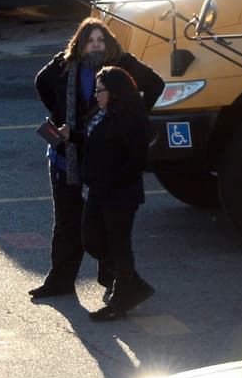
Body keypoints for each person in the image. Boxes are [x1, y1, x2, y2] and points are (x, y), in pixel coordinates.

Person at [30, 17, 163, 300]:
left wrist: (130, 114)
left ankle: (115, 279)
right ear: (79, 43)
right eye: (90, 40)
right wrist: (59, 114)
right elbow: (41, 82)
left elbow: (155, 84)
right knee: (67, 222)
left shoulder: (121, 66)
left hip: (105, 162)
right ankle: (60, 280)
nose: (95, 46)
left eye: (101, 40)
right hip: (66, 157)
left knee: (106, 225)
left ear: (110, 43)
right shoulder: (64, 65)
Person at [80, 66, 155, 321]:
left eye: (100, 91)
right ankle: (132, 283)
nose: (96, 96)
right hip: (98, 190)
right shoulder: (100, 114)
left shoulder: (132, 121)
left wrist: (109, 181)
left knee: (119, 245)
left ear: (115, 92)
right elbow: (93, 143)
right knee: (91, 238)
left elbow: (136, 162)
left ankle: (121, 299)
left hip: (120, 194)